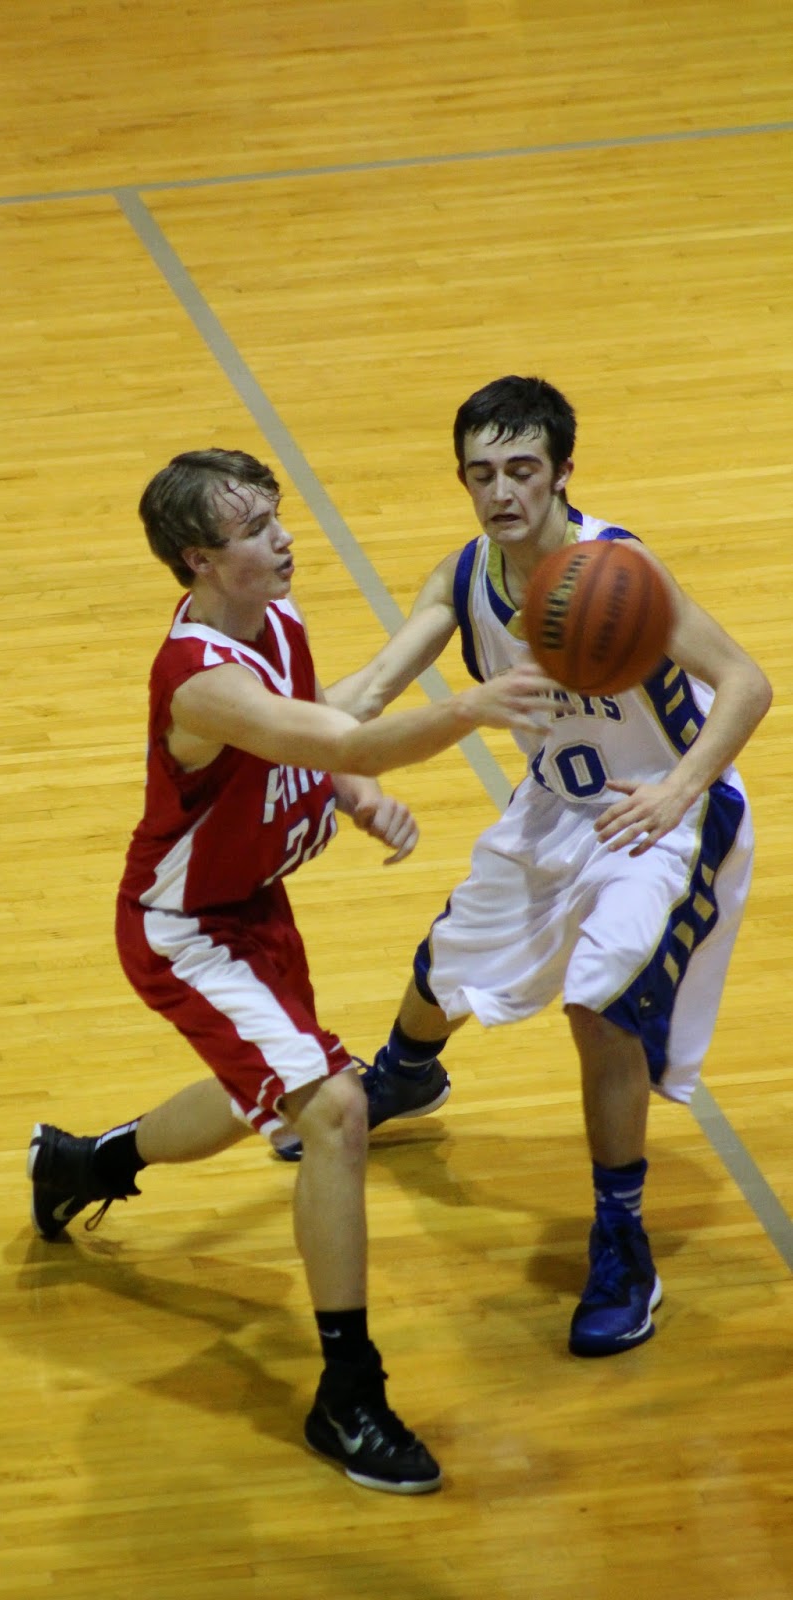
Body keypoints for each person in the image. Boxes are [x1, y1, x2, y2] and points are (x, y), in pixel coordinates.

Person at [27, 447, 558, 1494]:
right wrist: (463, 707)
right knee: (333, 1109)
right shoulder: (197, 677)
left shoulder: (270, 619)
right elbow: (331, 737)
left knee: (252, 1097)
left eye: (277, 516)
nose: (283, 538)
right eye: (256, 529)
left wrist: (347, 798)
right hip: (187, 927)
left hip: (254, 908)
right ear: (198, 560)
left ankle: (84, 1165)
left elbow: (315, 739)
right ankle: (345, 1392)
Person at [282, 376, 771, 1359]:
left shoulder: (620, 572)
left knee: (597, 1004)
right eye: (480, 473)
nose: (501, 491)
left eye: (521, 470)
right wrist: (270, 727)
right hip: (555, 807)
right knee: (445, 964)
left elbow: (746, 684)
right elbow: (374, 687)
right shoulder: (464, 578)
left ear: (559, 473)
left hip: (658, 817)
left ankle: (622, 1242)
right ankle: (407, 1076)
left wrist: (678, 789)